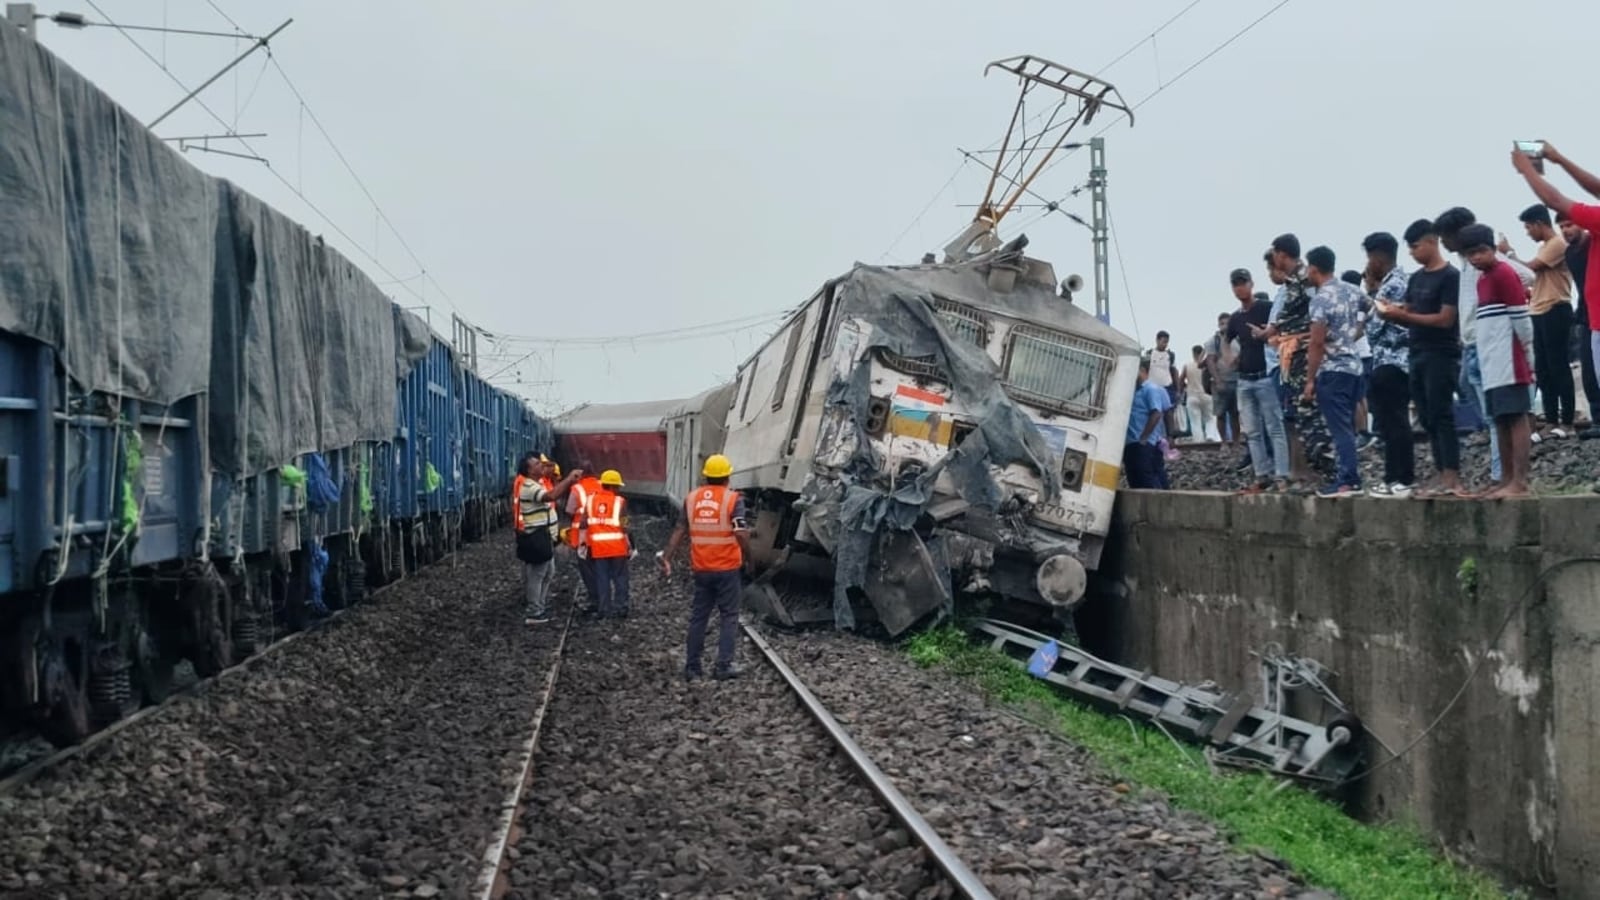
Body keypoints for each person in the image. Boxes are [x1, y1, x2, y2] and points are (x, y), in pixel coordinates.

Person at [1434, 206, 1535, 488]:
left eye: (1445, 237)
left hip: (1499, 349)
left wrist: (1527, 352)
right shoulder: (1475, 269)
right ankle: (1503, 477)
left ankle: (1512, 478)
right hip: (1481, 347)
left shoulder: (1498, 268)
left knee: (1509, 416)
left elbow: (1527, 281)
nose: (1443, 243)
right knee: (1495, 415)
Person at [1511, 142, 1600, 445]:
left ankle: (1563, 420)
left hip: (1572, 314)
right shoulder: (1579, 240)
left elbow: (1557, 201)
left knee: (1562, 367)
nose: (1566, 228)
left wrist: (1526, 169)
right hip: (1589, 317)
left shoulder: (1575, 237)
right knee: (1571, 372)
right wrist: (1559, 158)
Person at [1378, 219, 1465, 497]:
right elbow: (1411, 314)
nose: (1413, 253)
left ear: (1432, 242)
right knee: (1426, 416)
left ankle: (1451, 477)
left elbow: (1445, 319)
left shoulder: (1450, 276)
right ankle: (1441, 474)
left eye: (1416, 247)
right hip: (1415, 353)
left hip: (1441, 353)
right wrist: (1394, 312)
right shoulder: (1416, 278)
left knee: (1441, 414)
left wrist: (1403, 315)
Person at [658, 454, 753, 682]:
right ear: (727, 477)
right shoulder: (733, 499)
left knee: (699, 617)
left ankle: (692, 668)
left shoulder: (692, 498)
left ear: (706, 476)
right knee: (729, 616)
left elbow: (680, 529)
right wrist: (750, 558)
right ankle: (723, 665)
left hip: (702, 568)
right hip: (728, 568)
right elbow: (740, 532)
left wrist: (667, 557)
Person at [1459, 224, 1535, 498]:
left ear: (1492, 249)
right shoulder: (1482, 279)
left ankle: (1520, 480)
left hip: (1510, 358)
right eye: (1471, 254)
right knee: (1500, 419)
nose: (1476, 258)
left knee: (1515, 417)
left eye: (1481, 251)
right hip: (1491, 359)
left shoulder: (1505, 273)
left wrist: (1528, 354)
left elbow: (1521, 319)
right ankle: (1505, 478)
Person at [1258, 234, 1333, 480]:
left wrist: (1304, 338)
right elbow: (1289, 315)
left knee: (1312, 416)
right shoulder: (1293, 282)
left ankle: (1329, 472)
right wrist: (1270, 331)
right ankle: (1311, 472)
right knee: (1300, 415)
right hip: (1293, 357)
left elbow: (1318, 316)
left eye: (1275, 254)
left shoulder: (1307, 279)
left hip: (1307, 354)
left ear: (1282, 254)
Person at [1502, 204, 1576, 435]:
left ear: (1538, 224)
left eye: (1528, 227)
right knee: (1543, 368)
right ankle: (1552, 420)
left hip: (1556, 308)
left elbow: (1532, 269)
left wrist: (1509, 253)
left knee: (1558, 366)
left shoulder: (1556, 244)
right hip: (1539, 310)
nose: (1527, 232)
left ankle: (1567, 422)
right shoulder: (1546, 246)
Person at [1302, 246, 1367, 496]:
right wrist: (1356, 331)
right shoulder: (1351, 290)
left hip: (1332, 370)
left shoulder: (1320, 299)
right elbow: (1372, 308)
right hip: (1353, 367)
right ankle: (1350, 478)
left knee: (1339, 429)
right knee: (1348, 425)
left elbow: (1317, 343)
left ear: (1314, 268)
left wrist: (1309, 380)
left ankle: (1347, 480)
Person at [1359, 232, 1414, 496]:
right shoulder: (1400, 281)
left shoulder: (1392, 286)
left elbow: (1373, 329)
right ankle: (1398, 478)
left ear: (1377, 257)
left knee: (1394, 423)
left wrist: (1371, 293)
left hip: (1392, 362)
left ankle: (1399, 479)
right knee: (1394, 421)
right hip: (1397, 362)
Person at [1227, 269, 1289, 492]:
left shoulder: (1266, 308)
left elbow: (1281, 328)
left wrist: (1268, 336)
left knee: (1275, 428)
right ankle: (1262, 475)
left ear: (1251, 284)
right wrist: (1230, 358)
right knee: (1252, 432)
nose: (1239, 288)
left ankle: (1282, 475)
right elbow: (1227, 339)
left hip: (1266, 377)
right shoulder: (1235, 318)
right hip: (1244, 380)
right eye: (1236, 284)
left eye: (1243, 283)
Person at [515, 456, 582, 625]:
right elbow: (550, 496)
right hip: (536, 537)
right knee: (537, 574)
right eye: (537, 464)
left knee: (548, 572)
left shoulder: (536, 484)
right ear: (530, 470)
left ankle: (540, 605)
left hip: (544, 537)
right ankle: (534, 611)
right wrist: (568, 480)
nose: (541, 466)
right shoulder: (529, 487)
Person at [1556, 208, 1600, 435]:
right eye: (1562, 227)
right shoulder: (1571, 254)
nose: (1566, 231)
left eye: (1570, 225)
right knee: (1589, 371)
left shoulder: (1593, 244)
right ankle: (1597, 418)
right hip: (1585, 314)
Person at [584, 469, 634, 619]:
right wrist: (631, 545)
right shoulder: (620, 502)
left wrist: (582, 543)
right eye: (618, 487)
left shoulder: (591, 501)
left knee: (602, 578)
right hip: (617, 548)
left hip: (598, 548)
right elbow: (625, 526)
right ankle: (621, 608)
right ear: (613, 487)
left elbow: (583, 523)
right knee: (620, 578)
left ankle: (604, 609)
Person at [1341, 269, 1378, 451]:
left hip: (1357, 354)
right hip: (1364, 353)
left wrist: (1342, 341)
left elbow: (1359, 329)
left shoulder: (1355, 302)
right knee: (1361, 395)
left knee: (1355, 396)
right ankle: (1365, 431)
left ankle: (1362, 432)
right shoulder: (1362, 300)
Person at [1124, 359, 1171, 489]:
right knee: (1134, 477)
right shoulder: (1133, 391)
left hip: (1144, 443)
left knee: (1146, 477)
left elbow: (1156, 413)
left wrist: (1144, 438)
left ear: (1142, 370)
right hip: (1131, 442)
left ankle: (1159, 505)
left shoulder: (1150, 389)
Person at [564, 462, 603, 611]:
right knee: (600, 568)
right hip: (601, 535)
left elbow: (569, 511)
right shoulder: (602, 485)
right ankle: (603, 597)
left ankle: (594, 599)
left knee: (586, 568)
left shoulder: (577, 489)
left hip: (582, 538)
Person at [1205, 312, 1241, 446]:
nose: (1224, 326)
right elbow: (1210, 361)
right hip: (1221, 381)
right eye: (1222, 323)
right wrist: (1218, 380)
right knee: (1220, 414)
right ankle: (1224, 442)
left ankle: (1236, 442)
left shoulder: (1238, 339)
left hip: (1237, 380)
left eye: (1227, 323)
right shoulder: (1213, 341)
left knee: (1235, 414)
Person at [1181, 345, 1220, 442]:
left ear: (1193, 353)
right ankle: (1210, 435)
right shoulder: (1207, 365)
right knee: (1210, 418)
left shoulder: (1187, 366)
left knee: (1195, 422)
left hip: (1192, 396)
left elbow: (1181, 379)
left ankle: (1198, 440)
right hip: (1207, 395)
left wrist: (1183, 387)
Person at [1147, 331, 1181, 437]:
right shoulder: (1149, 354)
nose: (1165, 344)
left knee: (1168, 411)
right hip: (1153, 387)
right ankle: (1155, 435)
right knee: (1154, 412)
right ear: (1157, 340)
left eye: (1167, 342)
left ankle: (1170, 435)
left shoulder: (1170, 355)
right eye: (1163, 341)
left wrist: (1178, 389)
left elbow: (1175, 372)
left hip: (1167, 386)